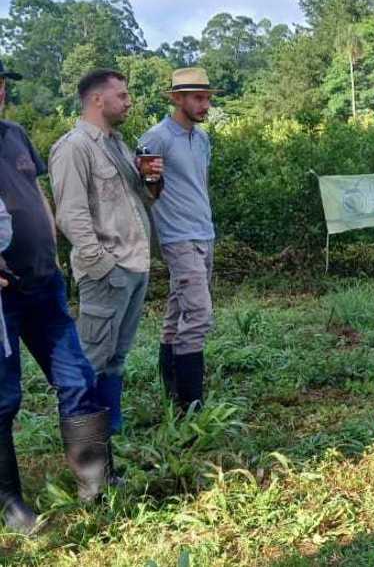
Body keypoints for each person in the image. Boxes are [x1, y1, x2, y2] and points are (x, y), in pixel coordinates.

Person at [0, 63, 109, 529]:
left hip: (44, 284)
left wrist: (53, 246)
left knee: (77, 376)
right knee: (3, 397)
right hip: (1, 297)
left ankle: (97, 484)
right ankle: (9, 505)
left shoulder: (14, 135)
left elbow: (36, 192)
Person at [49, 69, 163, 446]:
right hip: (107, 270)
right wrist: (103, 264)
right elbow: (70, 215)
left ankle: (111, 433)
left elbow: (140, 201)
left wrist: (151, 181)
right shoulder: (74, 147)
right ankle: (88, 448)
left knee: (116, 356)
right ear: (98, 99)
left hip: (133, 265)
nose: (129, 102)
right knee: (92, 359)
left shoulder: (117, 144)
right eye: (123, 95)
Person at [138, 68, 217, 412]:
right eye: (197, 98)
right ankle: (191, 401)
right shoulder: (156, 139)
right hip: (177, 236)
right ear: (176, 98)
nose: (205, 105)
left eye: (208, 98)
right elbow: (144, 189)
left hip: (203, 231)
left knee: (177, 311)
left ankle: (173, 395)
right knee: (198, 314)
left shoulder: (201, 139)